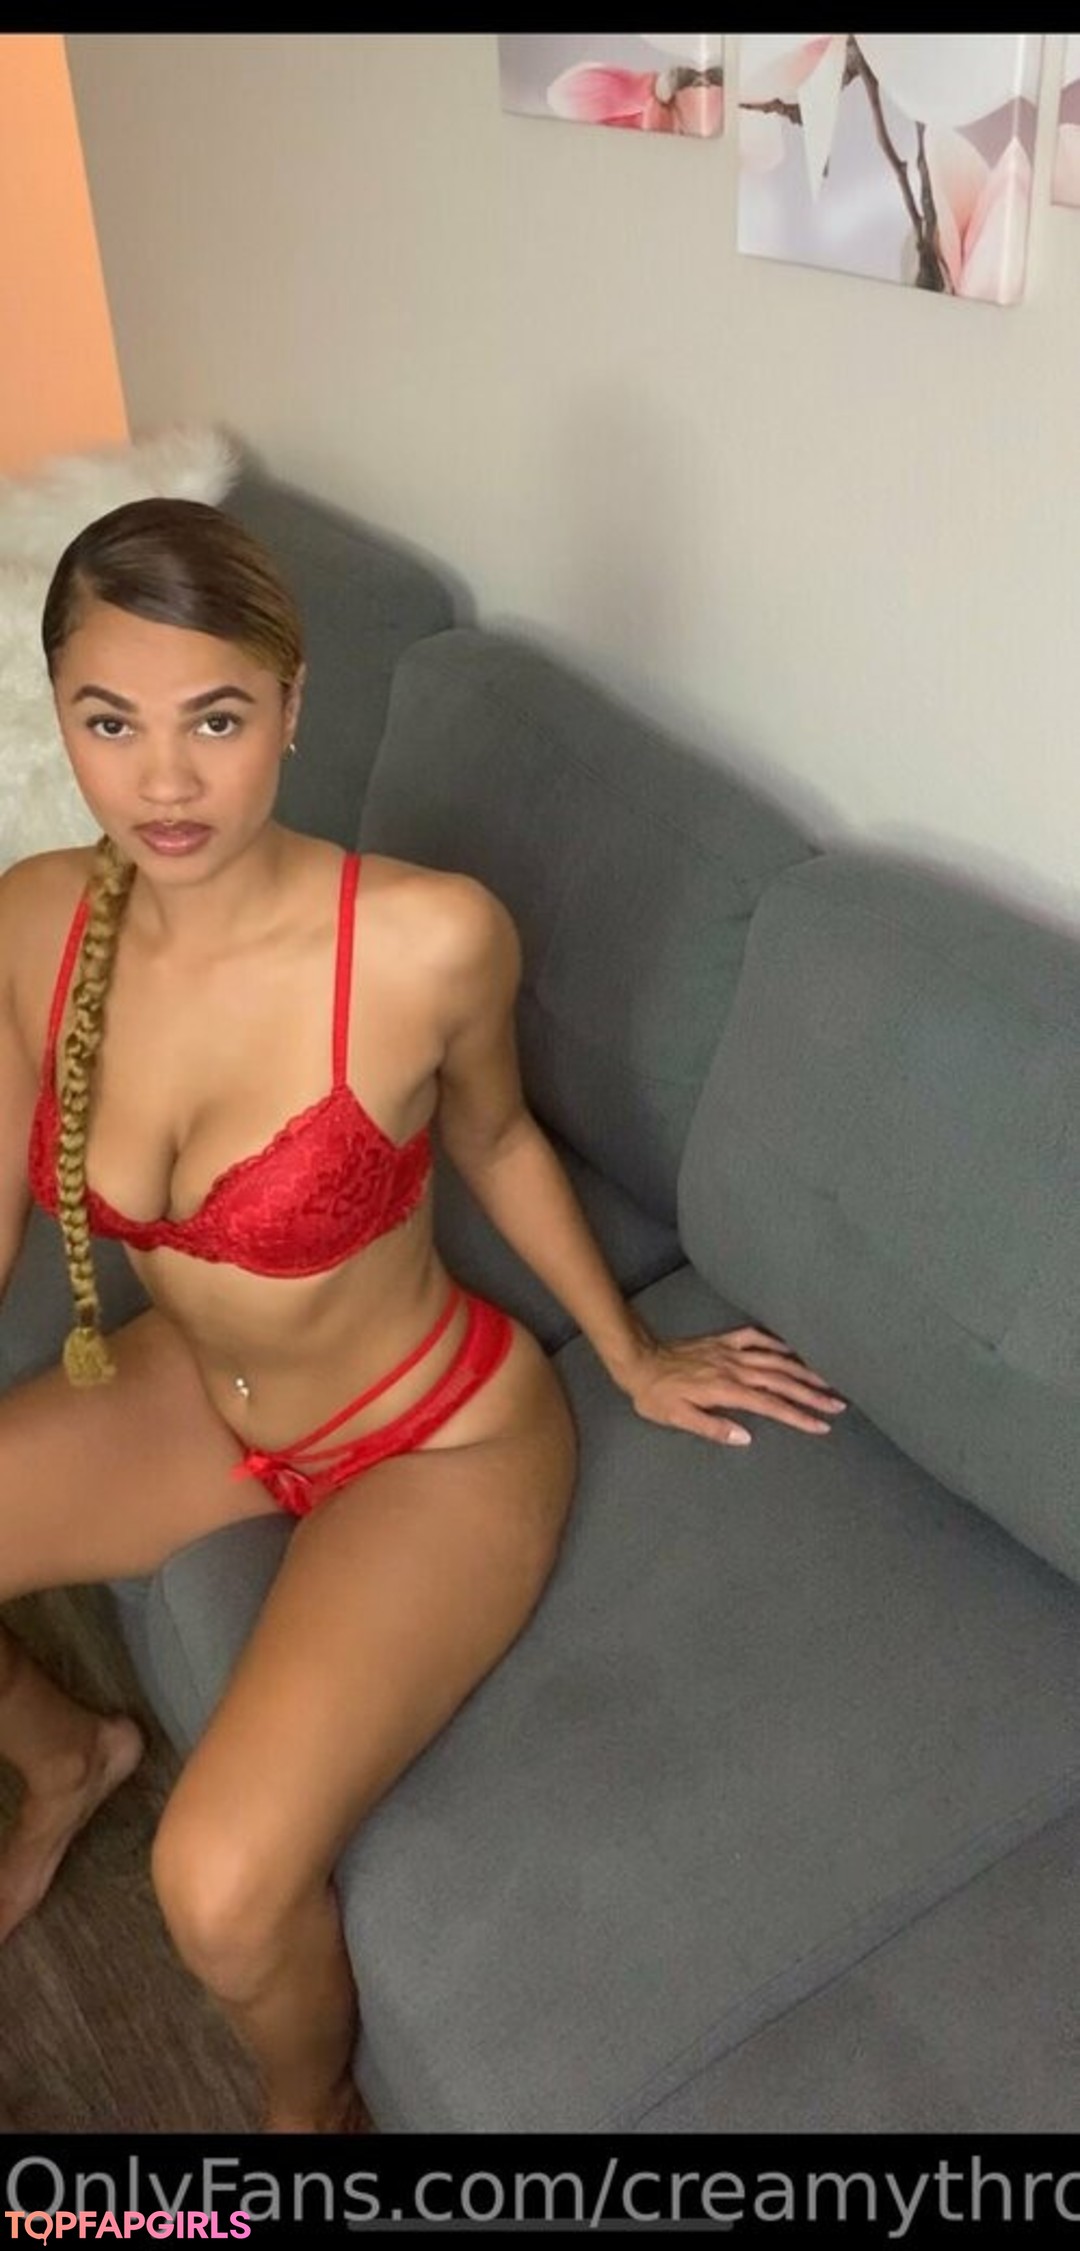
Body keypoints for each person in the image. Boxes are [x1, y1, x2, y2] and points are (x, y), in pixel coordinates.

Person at [0, 496, 847, 2134]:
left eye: (215, 720)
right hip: (193, 1394)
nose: (163, 781)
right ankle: (64, 1756)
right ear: (59, 717)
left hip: (429, 1447)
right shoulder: (36, 922)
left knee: (218, 1890)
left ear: (293, 706)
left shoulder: (421, 939)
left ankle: (310, 2120)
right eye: (111, 722)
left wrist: (631, 1351)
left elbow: (502, 1140)